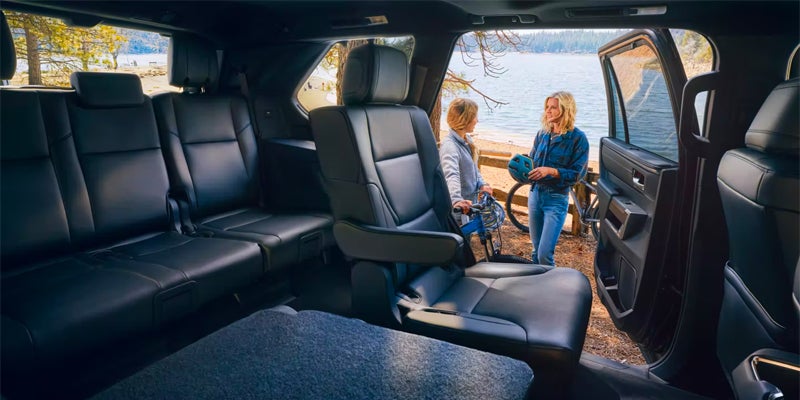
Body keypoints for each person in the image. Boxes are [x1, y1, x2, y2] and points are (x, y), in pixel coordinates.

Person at [527, 91, 589, 266]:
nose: (548, 111)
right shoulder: (542, 134)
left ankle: (550, 283)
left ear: (566, 109)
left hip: (555, 200)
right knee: (536, 251)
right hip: (535, 195)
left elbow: (576, 175)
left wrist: (552, 171)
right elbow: (532, 161)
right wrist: (522, 167)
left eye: (553, 107)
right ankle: (536, 282)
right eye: (547, 107)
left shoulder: (578, 139)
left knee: (544, 254)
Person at [440, 98, 493, 223]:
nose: (477, 121)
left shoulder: (467, 140)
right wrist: (456, 200)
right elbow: (450, 175)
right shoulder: (450, 146)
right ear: (465, 119)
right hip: (459, 212)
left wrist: (482, 184)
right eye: (474, 117)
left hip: (470, 208)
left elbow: (475, 170)